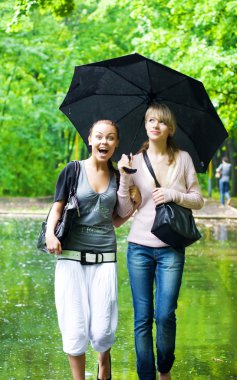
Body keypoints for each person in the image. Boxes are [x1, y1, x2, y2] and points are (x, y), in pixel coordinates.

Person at [45, 120, 139, 380]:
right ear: (89, 139)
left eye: (110, 138)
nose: (104, 142)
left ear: (117, 143)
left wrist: (132, 201)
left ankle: (104, 363)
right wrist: (51, 234)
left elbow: (116, 219)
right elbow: (57, 208)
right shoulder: (73, 170)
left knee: (102, 330)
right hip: (71, 256)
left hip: (105, 257)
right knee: (74, 328)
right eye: (99, 137)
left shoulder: (119, 176)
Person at [116, 103, 204, 380]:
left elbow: (198, 200)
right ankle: (146, 376)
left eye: (161, 122)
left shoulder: (183, 159)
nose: (155, 125)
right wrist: (122, 176)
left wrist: (173, 194)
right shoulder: (135, 161)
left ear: (170, 128)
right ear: (145, 125)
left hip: (171, 249)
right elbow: (123, 209)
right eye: (151, 120)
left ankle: (164, 370)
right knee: (142, 317)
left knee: (165, 314)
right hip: (138, 248)